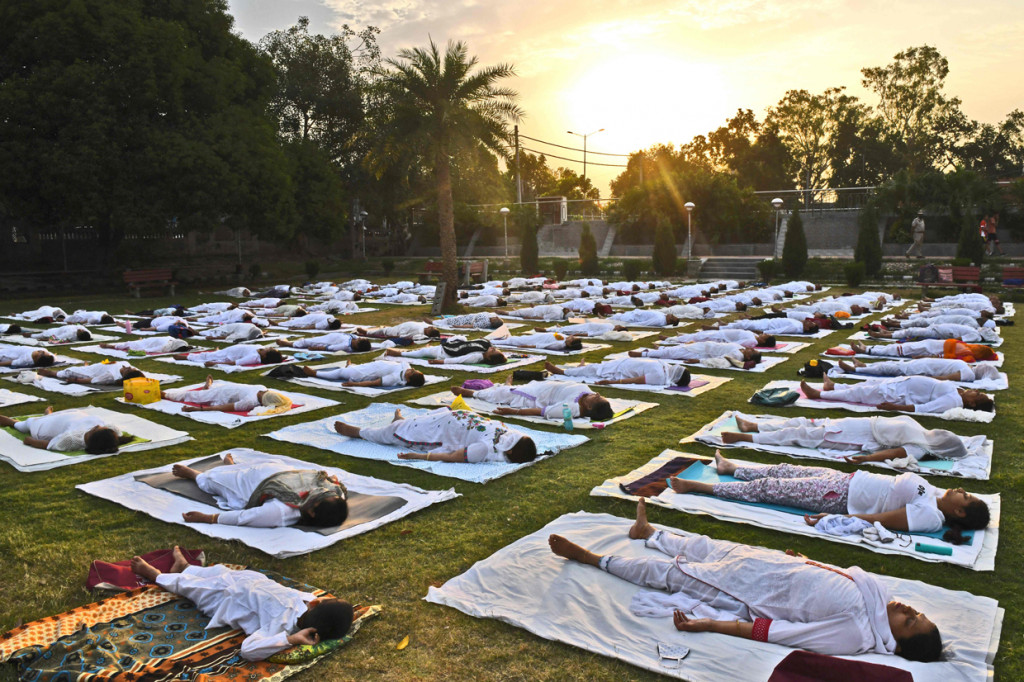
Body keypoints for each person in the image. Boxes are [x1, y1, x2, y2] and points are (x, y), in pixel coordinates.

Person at [548, 499, 943, 661]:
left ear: (896, 642)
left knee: (667, 575)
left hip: (750, 591)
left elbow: (779, 632)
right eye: (916, 612)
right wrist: (804, 561)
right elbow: (837, 576)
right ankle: (649, 534)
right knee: (705, 545)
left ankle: (593, 559)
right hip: (772, 565)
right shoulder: (878, 596)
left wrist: (714, 624)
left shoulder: (857, 634)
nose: (907, 609)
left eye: (909, 621)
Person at [669, 452, 989, 545]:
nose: (961, 489)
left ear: (959, 512)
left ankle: (699, 488)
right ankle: (732, 468)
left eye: (966, 495)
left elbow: (882, 520)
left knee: (770, 489)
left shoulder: (931, 516)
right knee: (785, 469)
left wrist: (839, 520)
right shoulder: (935, 494)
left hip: (838, 497)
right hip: (846, 480)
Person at [130, 546, 353, 661]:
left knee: (190, 586)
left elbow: (248, 650)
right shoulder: (305, 602)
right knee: (215, 571)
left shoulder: (281, 628)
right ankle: (185, 566)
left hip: (224, 599)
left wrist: (289, 639)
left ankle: (156, 575)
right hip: (247, 580)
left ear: (315, 606)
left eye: (324, 601)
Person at [169, 452, 348, 528]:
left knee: (210, 479)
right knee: (236, 472)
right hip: (278, 470)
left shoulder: (283, 511)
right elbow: (333, 481)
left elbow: (244, 517)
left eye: (315, 500)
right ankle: (231, 467)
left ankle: (194, 475)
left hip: (253, 482)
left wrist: (208, 518)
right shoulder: (335, 493)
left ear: (312, 513)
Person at [720, 413, 969, 463]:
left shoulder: (917, 448)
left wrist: (865, 459)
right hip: (858, 424)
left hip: (854, 436)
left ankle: (745, 438)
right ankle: (755, 424)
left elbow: (893, 454)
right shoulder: (920, 430)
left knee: (801, 435)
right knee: (807, 422)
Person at [334, 407, 539, 463]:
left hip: (440, 433)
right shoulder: (509, 434)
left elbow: (451, 456)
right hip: (448, 418)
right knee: (440, 410)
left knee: (394, 433)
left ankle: (360, 433)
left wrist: (420, 457)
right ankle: (401, 422)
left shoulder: (485, 449)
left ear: (510, 450)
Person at [801, 375, 994, 414]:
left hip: (897, 395)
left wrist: (895, 408)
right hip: (900, 384)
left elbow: (923, 408)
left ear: (973, 404)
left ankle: (818, 394)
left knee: (858, 393)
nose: (975, 391)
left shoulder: (953, 402)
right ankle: (832, 386)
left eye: (977, 395)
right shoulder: (958, 393)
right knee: (865, 384)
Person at [451, 378, 614, 421]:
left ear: (590, 408)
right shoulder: (587, 396)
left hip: (532, 397)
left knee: (501, 393)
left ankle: (471, 393)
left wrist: (513, 412)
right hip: (541, 387)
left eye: (597, 398)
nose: (597, 394)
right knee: (505, 390)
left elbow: (542, 411)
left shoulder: (572, 409)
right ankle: (505, 386)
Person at [0, 406, 132, 453]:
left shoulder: (71, 440)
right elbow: (114, 436)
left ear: (93, 437)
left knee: (19, 425)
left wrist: (29, 441)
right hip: (70, 415)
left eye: (96, 429)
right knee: (55, 417)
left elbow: (47, 445)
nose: (97, 426)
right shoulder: (111, 431)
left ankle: (13, 422)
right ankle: (49, 415)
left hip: (41, 427)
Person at [161, 375, 293, 414]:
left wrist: (198, 409)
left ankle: (208, 387)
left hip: (225, 392)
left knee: (200, 396)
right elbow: (220, 408)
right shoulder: (250, 402)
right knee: (192, 396)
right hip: (222, 392)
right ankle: (166, 395)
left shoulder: (262, 388)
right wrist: (198, 409)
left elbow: (222, 407)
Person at [544, 358, 691, 388]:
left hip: (619, 371)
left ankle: (563, 372)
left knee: (593, 370)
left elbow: (636, 380)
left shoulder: (660, 377)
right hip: (621, 363)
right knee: (594, 368)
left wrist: (612, 382)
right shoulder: (665, 366)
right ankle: (576, 369)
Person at [835, 357, 1001, 383]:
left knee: (892, 369)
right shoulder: (968, 367)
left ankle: (855, 370)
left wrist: (923, 377)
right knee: (893, 364)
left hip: (924, 369)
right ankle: (864, 366)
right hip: (925, 364)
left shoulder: (969, 374)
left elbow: (946, 378)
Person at [849, 338, 998, 363]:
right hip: (929, 344)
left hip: (928, 350)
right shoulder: (968, 347)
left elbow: (946, 357)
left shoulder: (968, 355)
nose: (979, 346)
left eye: (982, 348)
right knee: (897, 348)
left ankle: (867, 351)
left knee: (898, 350)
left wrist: (925, 357)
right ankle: (868, 348)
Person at [301, 359, 425, 387]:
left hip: (361, 374)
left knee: (341, 372)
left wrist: (354, 385)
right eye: (414, 369)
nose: (411, 369)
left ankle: (315, 374)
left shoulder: (395, 378)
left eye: (412, 373)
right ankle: (350, 366)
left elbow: (374, 382)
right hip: (370, 366)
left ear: (408, 380)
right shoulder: (406, 366)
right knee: (354, 368)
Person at [630, 341, 761, 367]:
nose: (751, 348)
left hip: (701, 352)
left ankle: (642, 355)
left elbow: (720, 362)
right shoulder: (740, 348)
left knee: (672, 353)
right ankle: (658, 349)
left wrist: (698, 362)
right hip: (702, 345)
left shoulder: (737, 356)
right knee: (676, 349)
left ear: (748, 357)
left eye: (752, 350)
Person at [385, 338, 507, 366]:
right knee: (461, 338)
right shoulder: (484, 349)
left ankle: (399, 353)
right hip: (452, 347)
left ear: (489, 358)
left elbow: (458, 360)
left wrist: (440, 362)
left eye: (493, 351)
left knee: (423, 352)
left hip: (444, 352)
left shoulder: (476, 357)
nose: (492, 348)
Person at [37, 361, 145, 385]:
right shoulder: (126, 364)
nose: (130, 367)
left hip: (90, 372)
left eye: (129, 369)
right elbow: (109, 362)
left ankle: (53, 373)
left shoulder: (111, 376)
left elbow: (93, 380)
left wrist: (75, 380)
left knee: (69, 371)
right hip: (96, 366)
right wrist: (103, 362)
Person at [174, 344, 283, 368]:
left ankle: (185, 357)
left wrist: (215, 363)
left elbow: (234, 363)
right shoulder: (260, 349)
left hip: (228, 356)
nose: (269, 347)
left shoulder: (254, 357)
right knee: (214, 353)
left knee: (207, 356)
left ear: (265, 356)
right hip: (230, 350)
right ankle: (217, 351)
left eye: (270, 350)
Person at [276, 333, 372, 353]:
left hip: (327, 341)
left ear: (357, 345)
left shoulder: (346, 345)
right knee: (314, 339)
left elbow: (331, 348)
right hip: (330, 336)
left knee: (307, 342)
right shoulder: (354, 338)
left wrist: (316, 348)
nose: (359, 338)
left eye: (360, 340)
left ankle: (287, 344)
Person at [492, 332, 584, 352]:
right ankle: (495, 340)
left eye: (572, 338)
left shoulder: (558, 345)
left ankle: (491, 342)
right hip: (538, 336)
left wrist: (527, 346)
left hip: (536, 340)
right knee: (517, 338)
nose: (571, 336)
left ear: (570, 344)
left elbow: (541, 346)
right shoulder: (564, 339)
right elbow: (555, 334)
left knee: (513, 341)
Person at [101, 337, 190, 355]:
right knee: (130, 344)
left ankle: (110, 346)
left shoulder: (181, 342)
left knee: (129, 344)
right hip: (151, 341)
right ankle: (111, 346)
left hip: (150, 341)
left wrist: (135, 351)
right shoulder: (166, 346)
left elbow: (148, 350)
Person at [24, 324, 91, 343]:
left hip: (54, 332)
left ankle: (30, 335)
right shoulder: (87, 332)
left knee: (39, 335)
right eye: (83, 330)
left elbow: (57, 338)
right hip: (61, 328)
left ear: (79, 335)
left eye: (81, 331)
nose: (81, 330)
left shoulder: (70, 335)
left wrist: (46, 340)